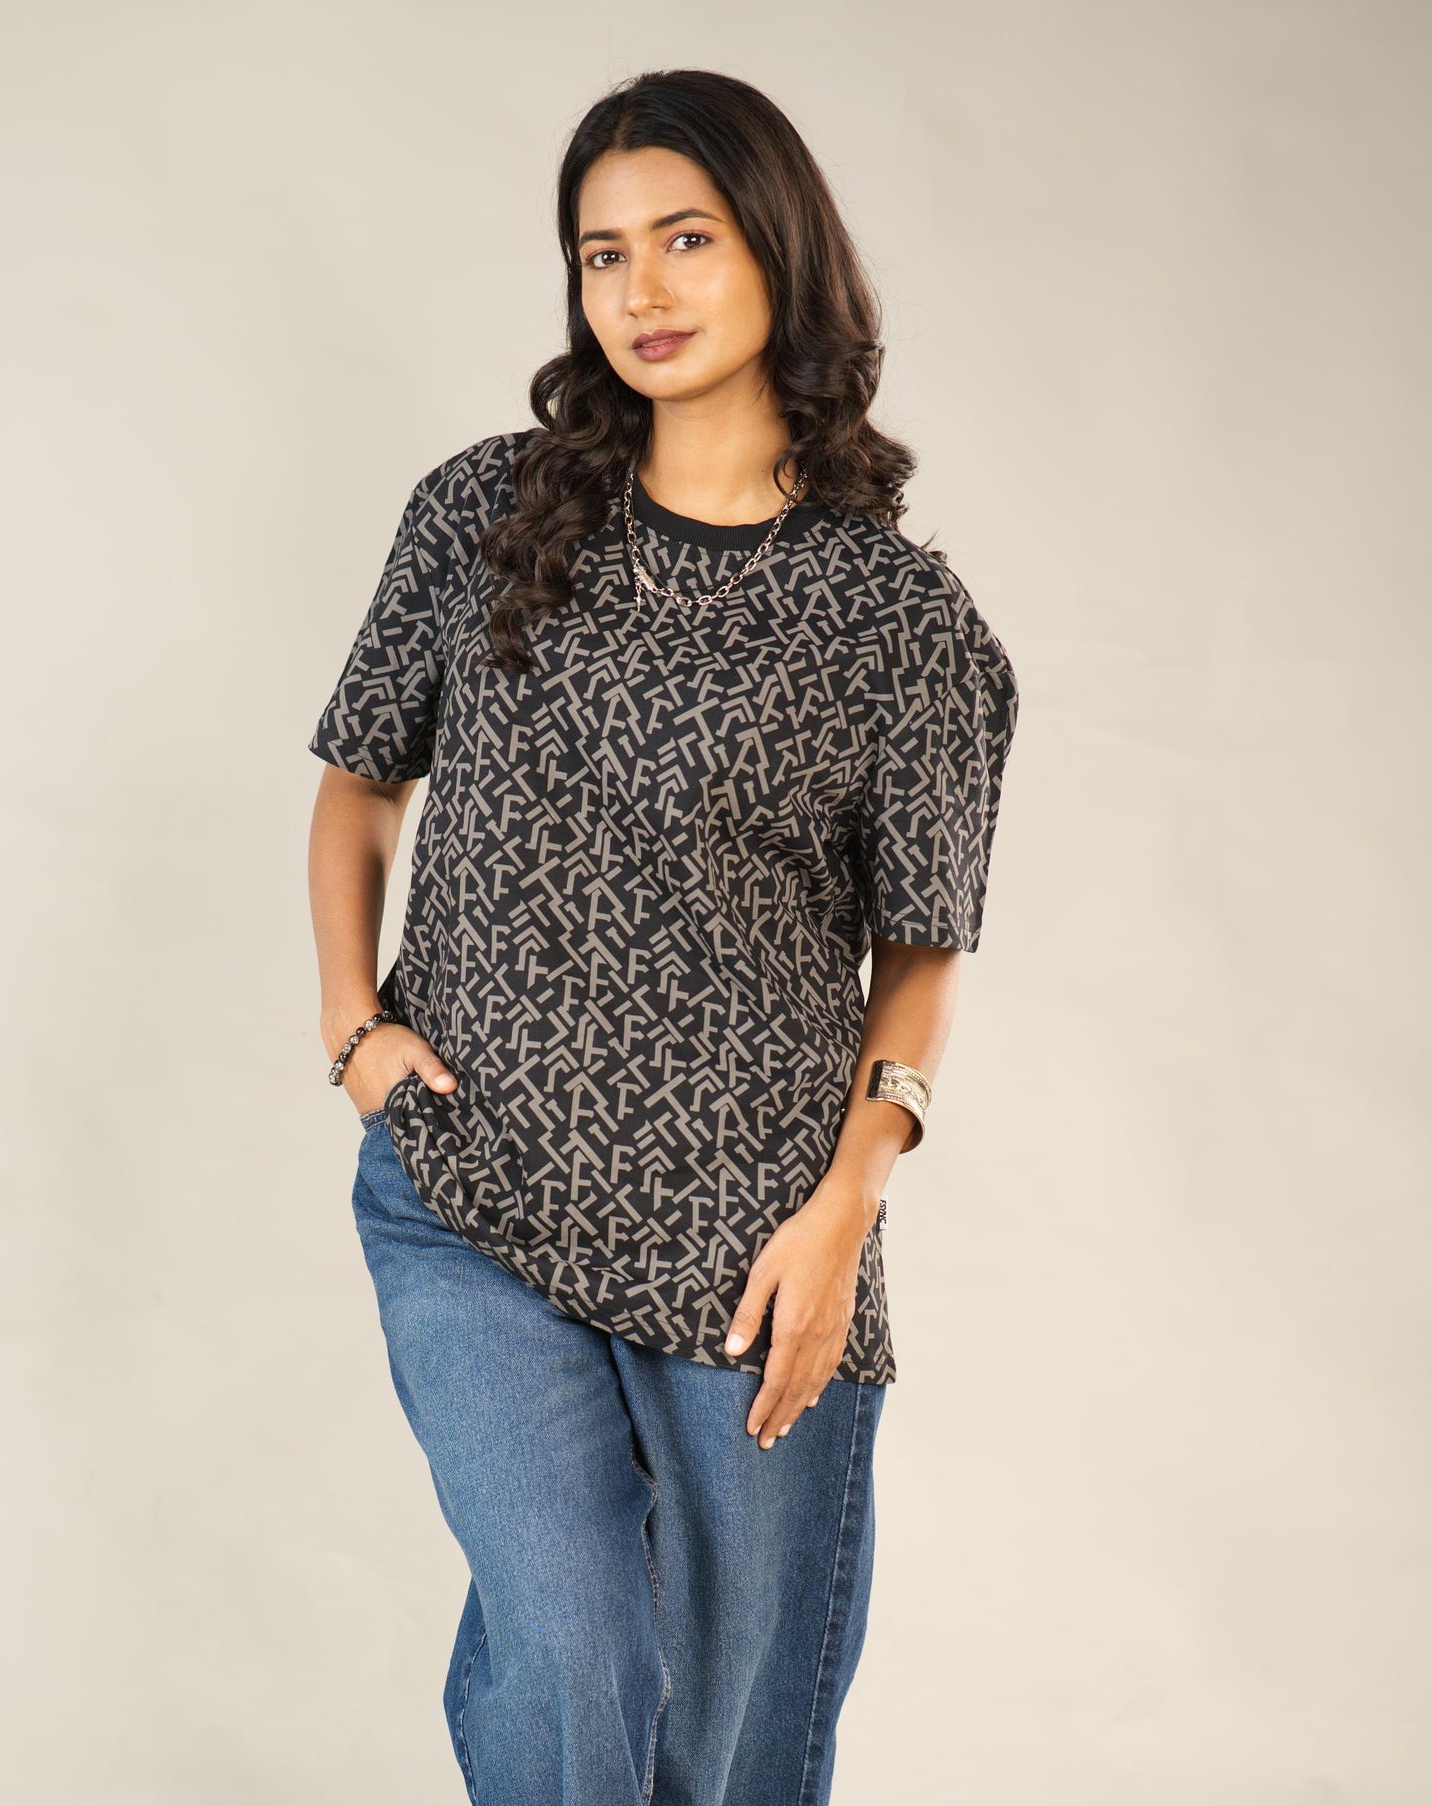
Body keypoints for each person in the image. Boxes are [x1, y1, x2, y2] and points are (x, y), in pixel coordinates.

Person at [305, 68, 1019, 1806]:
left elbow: (923, 944)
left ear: (777, 250)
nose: (640, 291)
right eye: (601, 253)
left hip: (752, 1239)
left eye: (683, 240)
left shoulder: (895, 616)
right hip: (470, 1184)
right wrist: (352, 1026)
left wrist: (850, 1203)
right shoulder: (485, 509)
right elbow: (355, 787)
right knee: (571, 1643)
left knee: (732, 1723)